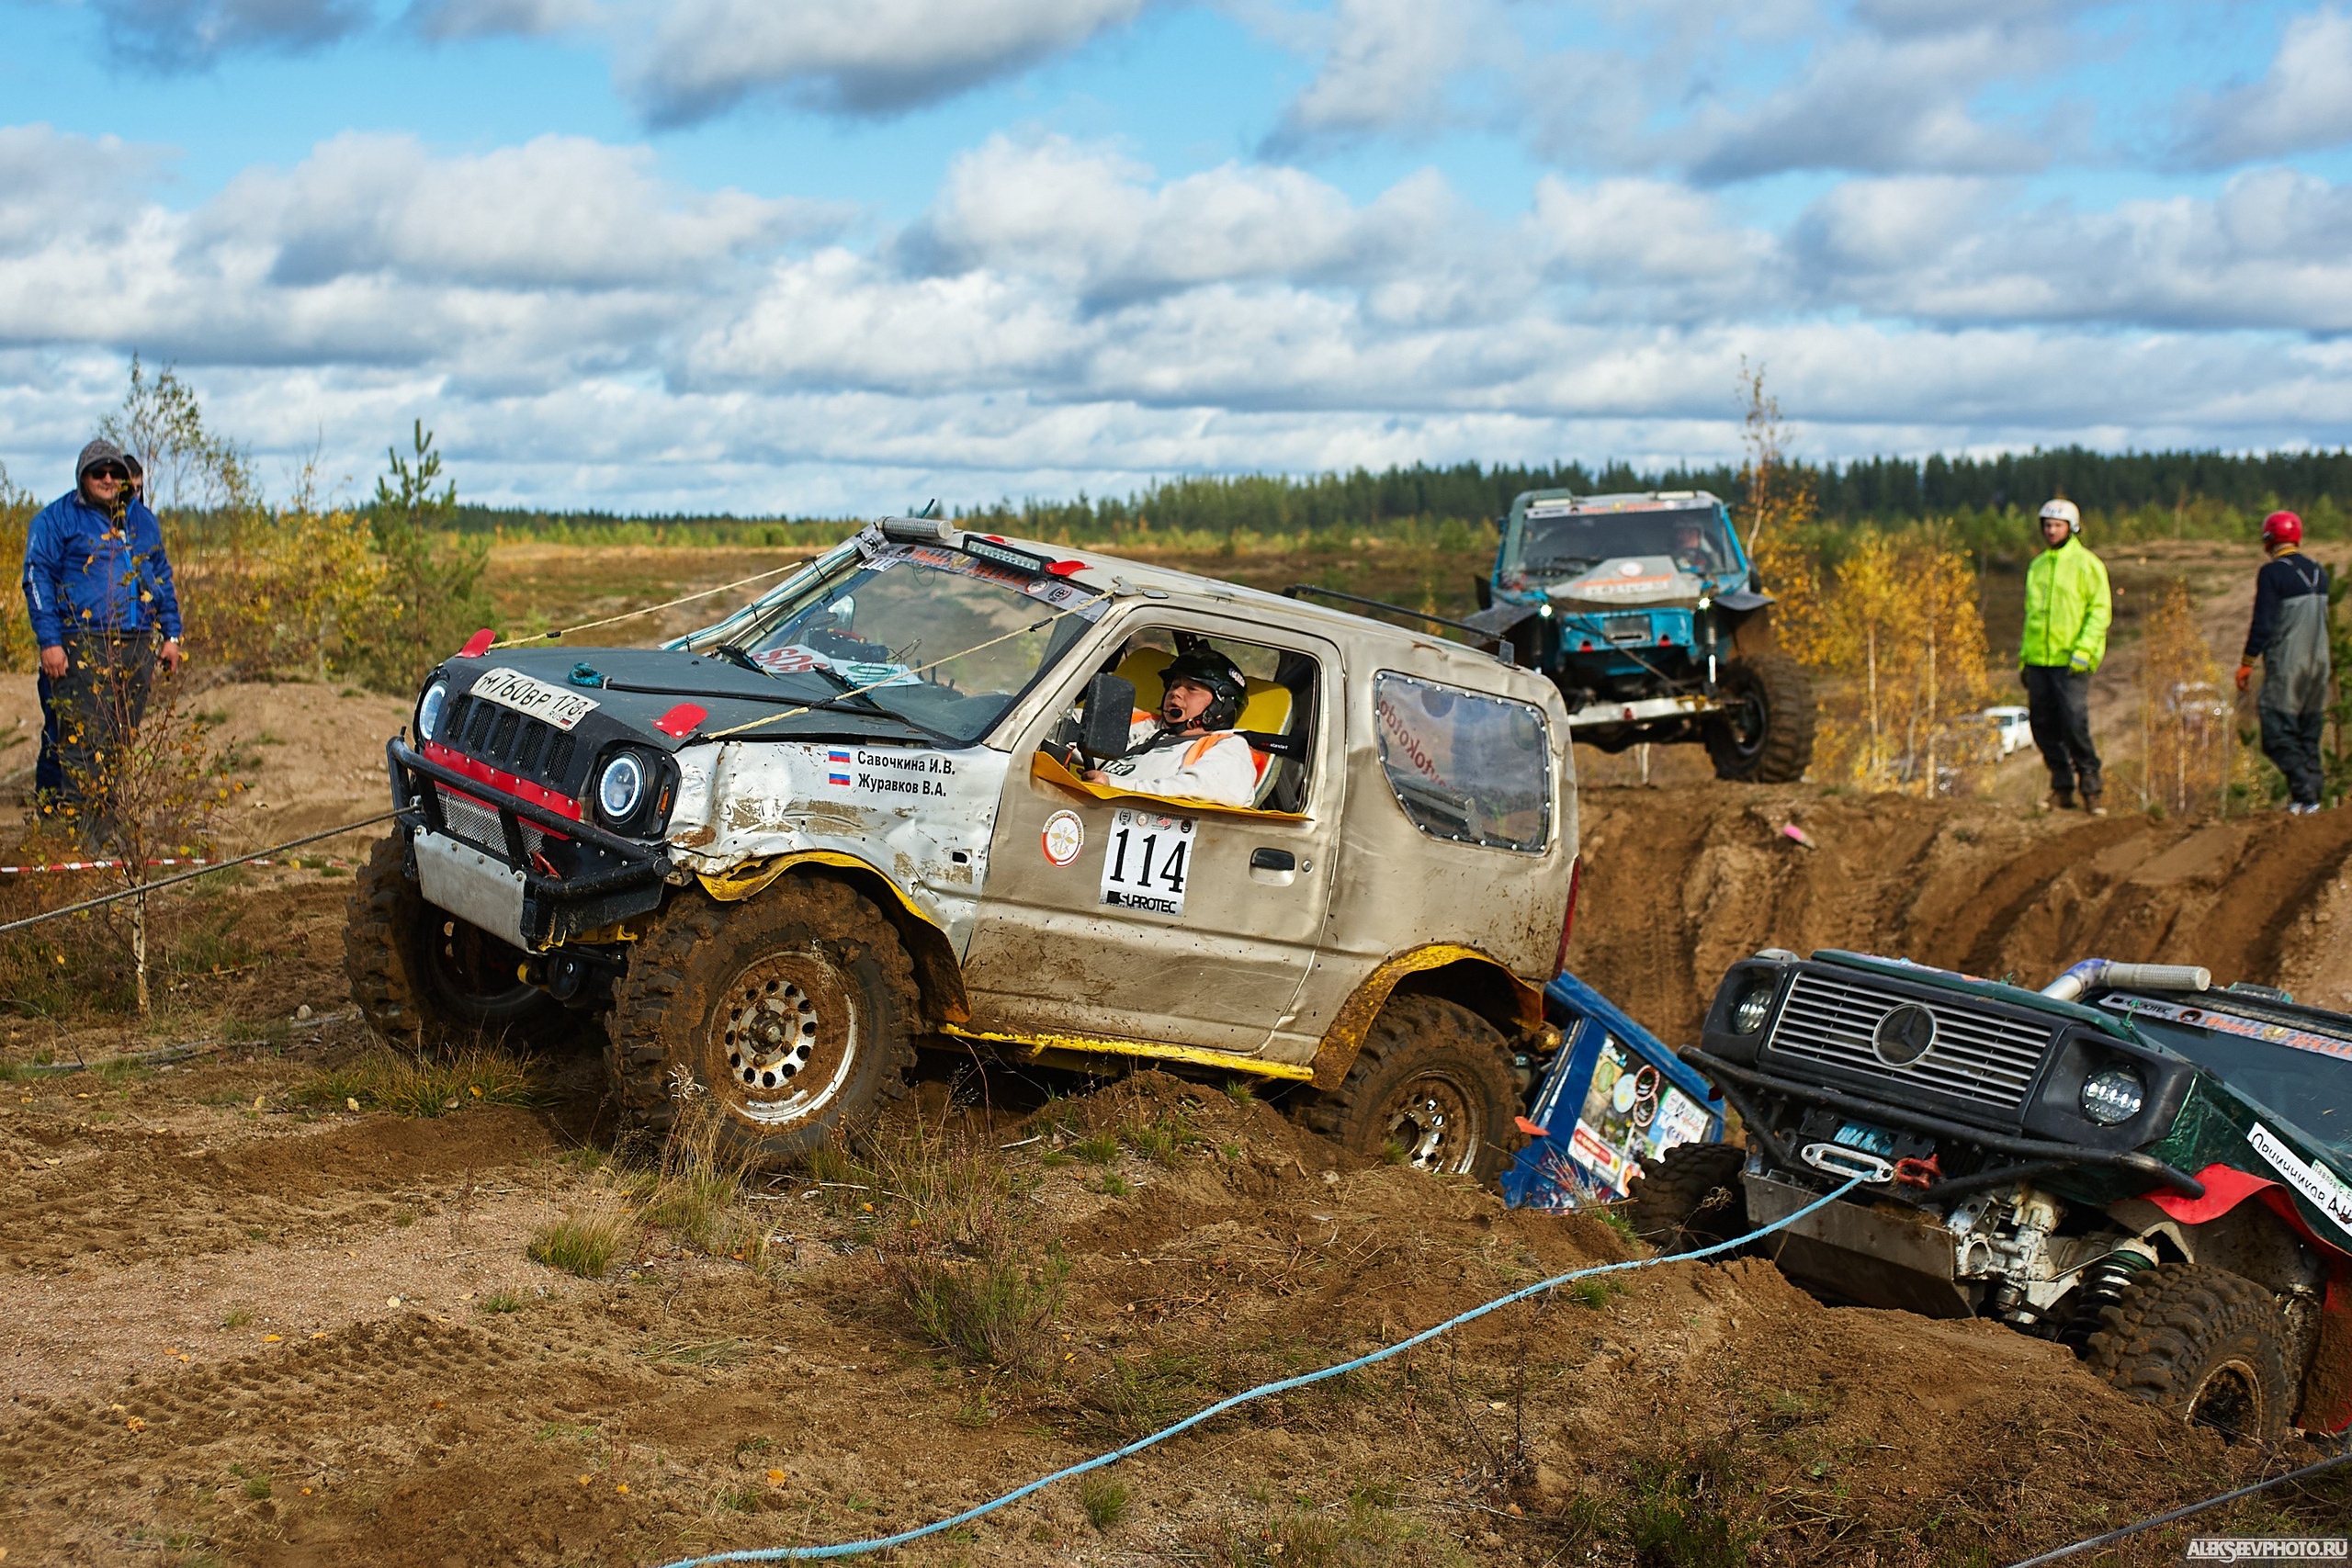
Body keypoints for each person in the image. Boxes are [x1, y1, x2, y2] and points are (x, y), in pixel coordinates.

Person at [23, 438, 185, 836]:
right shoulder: (57, 519)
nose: (109, 478)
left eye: (115, 472)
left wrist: (172, 634)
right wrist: (50, 641)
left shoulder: (142, 520)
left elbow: (160, 575)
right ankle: (74, 842)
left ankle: (105, 837)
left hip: (137, 646)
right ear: (84, 477)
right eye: (99, 472)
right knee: (79, 746)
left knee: (116, 745)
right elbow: (36, 578)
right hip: (82, 645)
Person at [2018, 497, 2112, 814]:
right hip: (2038, 662)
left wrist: (2084, 650)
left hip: (2072, 661)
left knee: (2074, 724)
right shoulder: (2037, 566)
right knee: (2042, 727)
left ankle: (2091, 787)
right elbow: (2031, 616)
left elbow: (2100, 611)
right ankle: (2061, 787)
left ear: (2071, 528)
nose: (2050, 531)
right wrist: (2023, 659)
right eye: (2046, 525)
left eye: (2057, 525)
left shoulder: (2088, 565)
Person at [2236, 510, 2331, 814]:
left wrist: (2247, 662)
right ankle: (2309, 800)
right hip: (2319, 668)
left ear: (2268, 539)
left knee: (2276, 733)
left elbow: (2263, 623)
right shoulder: (2319, 573)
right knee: (2308, 733)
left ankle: (2304, 788)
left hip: (2289, 665)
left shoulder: (2272, 574)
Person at [1083, 648, 1261, 807]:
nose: (1175, 693)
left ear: (1222, 707)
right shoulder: (1146, 725)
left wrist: (1114, 786)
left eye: (1191, 688)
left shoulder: (1231, 748)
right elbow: (1078, 730)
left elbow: (1200, 791)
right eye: (1174, 686)